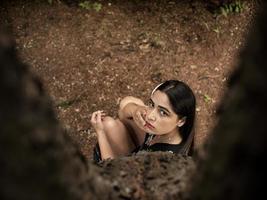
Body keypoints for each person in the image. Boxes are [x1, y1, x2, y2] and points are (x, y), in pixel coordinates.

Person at [90, 80, 196, 162]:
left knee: (106, 128)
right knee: (109, 124)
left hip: (129, 181)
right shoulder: (165, 129)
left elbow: (115, 178)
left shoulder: (163, 161)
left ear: (181, 121)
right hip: (138, 156)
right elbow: (125, 105)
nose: (150, 116)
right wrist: (135, 110)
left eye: (163, 112)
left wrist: (100, 133)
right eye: (151, 104)